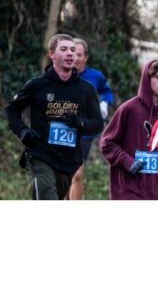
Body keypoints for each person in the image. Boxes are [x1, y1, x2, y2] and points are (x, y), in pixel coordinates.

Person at [5, 33, 104, 200]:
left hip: (68, 161)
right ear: (52, 54)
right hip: (40, 156)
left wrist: (80, 123)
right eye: (64, 49)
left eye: (72, 50)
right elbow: (11, 109)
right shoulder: (37, 85)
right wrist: (22, 131)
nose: (70, 54)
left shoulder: (86, 89)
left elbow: (98, 124)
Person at [100, 60, 158, 200]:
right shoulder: (128, 109)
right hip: (127, 189)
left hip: (154, 190)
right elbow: (107, 143)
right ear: (147, 78)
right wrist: (128, 162)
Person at [69, 37, 114, 200]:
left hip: (84, 132)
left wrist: (104, 102)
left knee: (77, 174)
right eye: (72, 53)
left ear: (86, 57)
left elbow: (107, 92)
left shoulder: (95, 76)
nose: (75, 58)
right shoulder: (60, 74)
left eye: (79, 54)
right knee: (63, 173)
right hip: (63, 130)